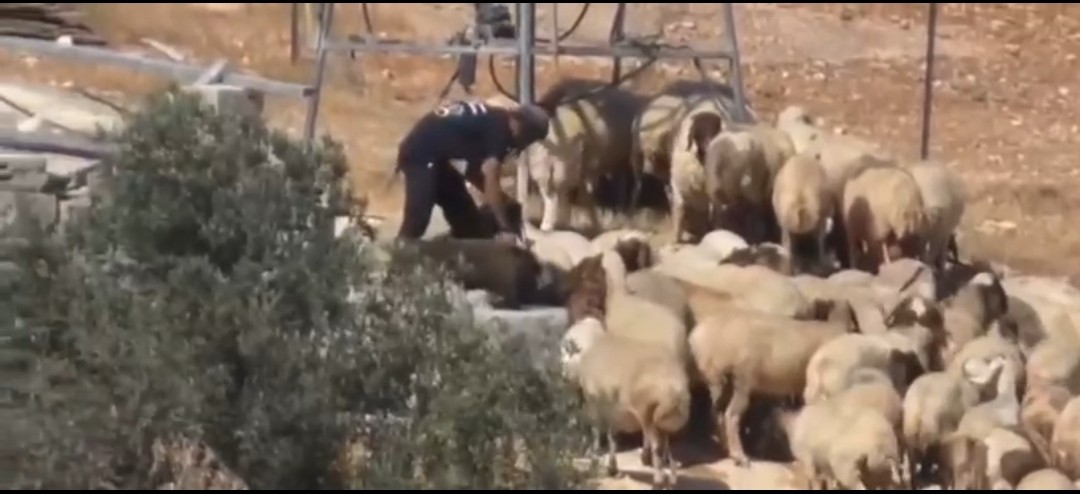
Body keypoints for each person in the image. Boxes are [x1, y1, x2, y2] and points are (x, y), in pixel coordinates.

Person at [395, 99, 550, 243]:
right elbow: (491, 176)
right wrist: (505, 227)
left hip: (438, 158)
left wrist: (502, 200)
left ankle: (454, 256)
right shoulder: (501, 132)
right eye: (529, 136)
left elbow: (475, 173)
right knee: (417, 220)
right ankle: (396, 256)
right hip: (420, 154)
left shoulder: (494, 121)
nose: (525, 142)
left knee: (468, 223)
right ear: (518, 123)